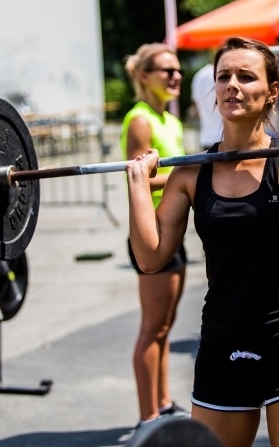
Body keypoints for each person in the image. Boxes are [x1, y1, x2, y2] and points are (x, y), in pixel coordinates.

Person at [126, 36, 279, 447]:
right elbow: (150, 258)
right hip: (222, 346)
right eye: (223, 76)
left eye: (245, 76)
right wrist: (138, 183)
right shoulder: (191, 174)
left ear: (272, 91)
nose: (232, 86)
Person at [121, 42, 190, 430]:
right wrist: (188, 176)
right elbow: (139, 179)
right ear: (145, 76)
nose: (175, 76)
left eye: (177, 69)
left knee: (165, 324)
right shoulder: (140, 120)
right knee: (152, 327)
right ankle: (147, 417)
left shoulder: (172, 121)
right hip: (150, 231)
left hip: (174, 228)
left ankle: (162, 403)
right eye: (166, 70)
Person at [191, 61, 223, 151]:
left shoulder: (199, 75)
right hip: (226, 139)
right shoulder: (228, 73)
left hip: (206, 138)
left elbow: (195, 108)